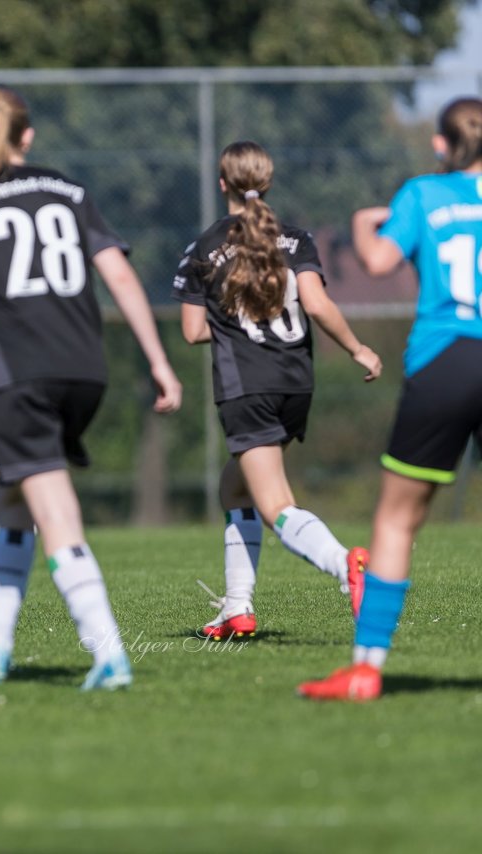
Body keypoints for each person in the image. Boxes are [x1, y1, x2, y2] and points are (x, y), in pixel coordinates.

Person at [0, 85, 182, 690]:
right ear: (28, 136)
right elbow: (121, 277)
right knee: (15, 506)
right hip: (85, 368)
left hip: (14, 374)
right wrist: (159, 360)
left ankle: (108, 651)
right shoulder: (70, 190)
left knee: (53, 508)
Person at [299, 97, 482, 701]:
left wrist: (361, 223)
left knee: (398, 517)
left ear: (439, 144)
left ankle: (365, 669)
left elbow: (378, 260)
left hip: (446, 359)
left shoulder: (423, 194)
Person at [174, 141, 383, 641]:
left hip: (247, 386)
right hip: (296, 383)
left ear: (221, 182)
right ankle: (238, 608)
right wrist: (356, 348)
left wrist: (234, 325)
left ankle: (346, 567)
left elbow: (192, 331)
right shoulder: (294, 239)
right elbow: (316, 302)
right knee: (235, 485)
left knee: (274, 504)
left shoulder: (204, 247)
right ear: (266, 182)